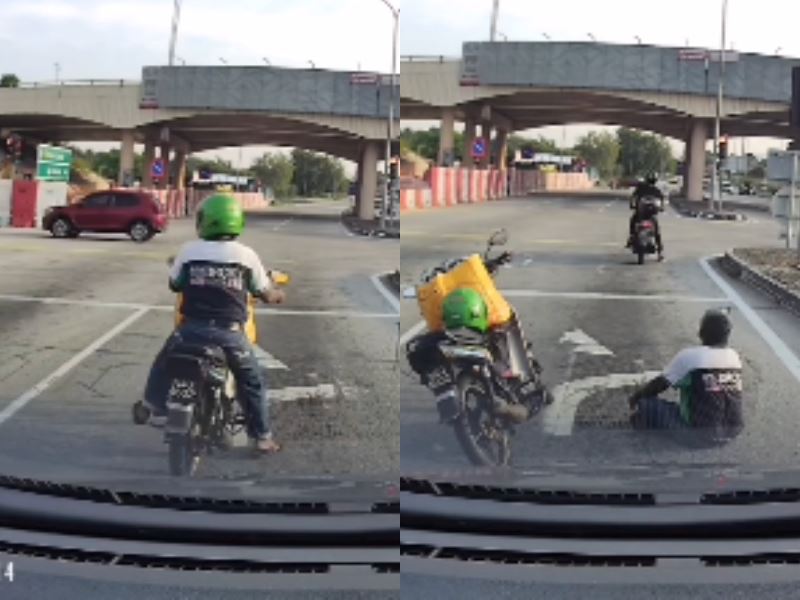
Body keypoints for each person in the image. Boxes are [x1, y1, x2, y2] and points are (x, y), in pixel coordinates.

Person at [142, 193, 284, 454]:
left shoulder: (188, 250)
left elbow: (175, 284)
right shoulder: (246, 255)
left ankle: (155, 407)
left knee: (163, 363)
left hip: (191, 329)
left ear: (204, 221)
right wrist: (276, 295)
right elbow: (262, 290)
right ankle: (262, 437)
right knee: (251, 382)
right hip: (230, 334)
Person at [627, 309, 744, 441]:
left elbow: (659, 385)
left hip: (699, 434)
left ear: (701, 333)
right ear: (727, 335)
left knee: (645, 404)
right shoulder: (734, 357)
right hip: (733, 431)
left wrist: (635, 398)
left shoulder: (690, 356)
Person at [626, 173, 665, 261]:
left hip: (641, 214)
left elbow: (633, 198)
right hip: (648, 215)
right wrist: (661, 208)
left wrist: (632, 205)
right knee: (657, 232)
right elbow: (662, 202)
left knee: (633, 221)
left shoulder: (642, 188)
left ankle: (631, 237)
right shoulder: (656, 190)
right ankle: (660, 252)